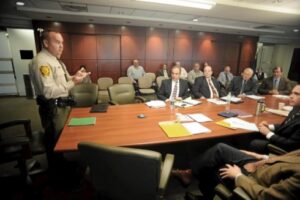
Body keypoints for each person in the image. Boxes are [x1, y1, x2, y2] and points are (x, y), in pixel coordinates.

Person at [29, 30, 90, 168]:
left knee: (62, 138)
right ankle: (57, 173)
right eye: (57, 42)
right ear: (46, 43)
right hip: (52, 109)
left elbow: (64, 79)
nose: (61, 46)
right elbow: (49, 91)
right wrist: (74, 83)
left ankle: (61, 164)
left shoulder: (56, 60)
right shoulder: (41, 62)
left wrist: (75, 76)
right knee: (55, 141)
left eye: (62, 43)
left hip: (61, 106)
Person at [172, 143, 300, 200]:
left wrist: (238, 176)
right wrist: (260, 157)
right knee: (220, 149)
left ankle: (204, 192)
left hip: (254, 180)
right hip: (264, 165)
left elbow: (266, 196)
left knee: (212, 167)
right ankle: (190, 173)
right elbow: (286, 158)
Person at [250, 84, 300, 153]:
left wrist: (268, 133)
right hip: (280, 138)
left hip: (286, 151)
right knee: (253, 134)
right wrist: (269, 127)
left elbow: (290, 145)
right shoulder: (296, 108)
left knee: (255, 143)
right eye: (292, 93)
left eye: (297, 94)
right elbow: (285, 126)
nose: (291, 96)